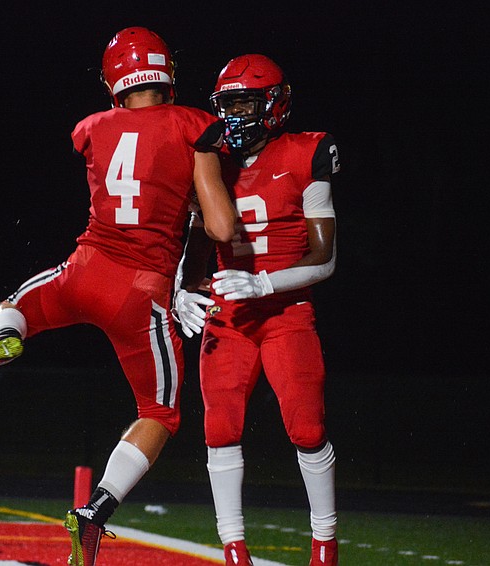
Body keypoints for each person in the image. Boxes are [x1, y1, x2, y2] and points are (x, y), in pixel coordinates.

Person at [0, 27, 236, 566]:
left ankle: (7, 340)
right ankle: (95, 511)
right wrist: (200, 197)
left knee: (12, 308)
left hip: (85, 268)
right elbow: (219, 226)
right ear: (166, 72)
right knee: (160, 412)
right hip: (140, 294)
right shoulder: (194, 125)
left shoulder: (93, 129)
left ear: (113, 80)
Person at [173, 54, 341, 566]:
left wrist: (266, 281)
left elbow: (326, 258)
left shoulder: (306, 152)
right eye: (228, 105)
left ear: (275, 104)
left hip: (286, 311)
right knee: (219, 427)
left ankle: (325, 545)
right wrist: (182, 287)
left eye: (245, 102)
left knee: (307, 429)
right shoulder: (209, 159)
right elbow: (198, 239)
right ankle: (233, 549)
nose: (236, 115)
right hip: (228, 313)